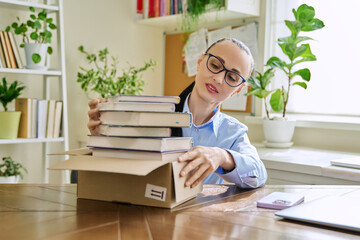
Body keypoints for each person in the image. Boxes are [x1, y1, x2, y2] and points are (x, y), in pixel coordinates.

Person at [87, 38, 267, 189]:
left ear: (238, 90)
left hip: (203, 221)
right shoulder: (153, 115)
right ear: (199, 62)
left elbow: (259, 174)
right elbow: (121, 165)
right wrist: (106, 135)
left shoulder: (233, 133)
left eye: (232, 77)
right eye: (215, 64)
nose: (219, 78)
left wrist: (222, 156)